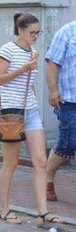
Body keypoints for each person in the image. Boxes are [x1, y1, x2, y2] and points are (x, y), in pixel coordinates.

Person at [0, 13, 62, 224]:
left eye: (38, 32)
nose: (35, 36)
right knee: (11, 163)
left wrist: (28, 74)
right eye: (32, 32)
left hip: (30, 111)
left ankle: (43, 212)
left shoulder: (33, 52)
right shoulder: (7, 49)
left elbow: (29, 83)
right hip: (11, 112)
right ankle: (3, 209)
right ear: (20, 30)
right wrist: (23, 68)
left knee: (41, 161)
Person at [45, 19, 76, 203]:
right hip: (70, 100)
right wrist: (53, 90)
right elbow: (52, 64)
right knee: (68, 144)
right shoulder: (67, 32)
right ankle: (48, 177)